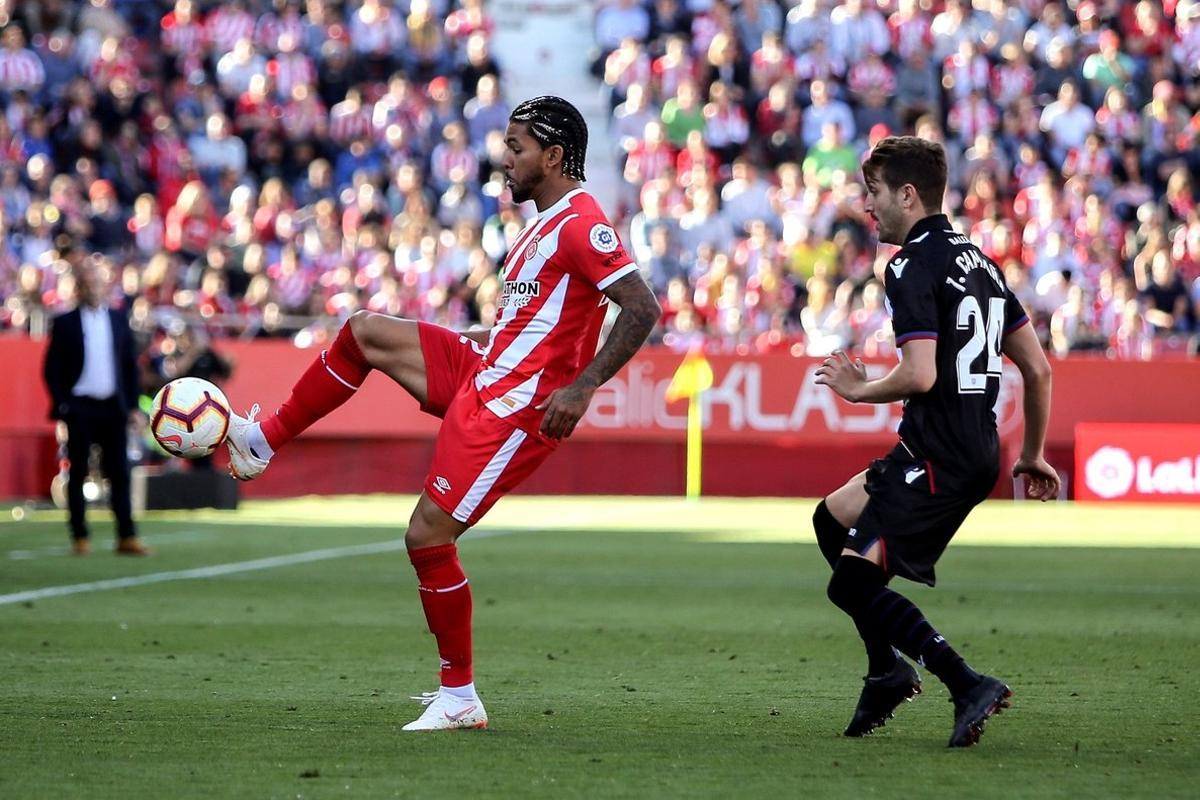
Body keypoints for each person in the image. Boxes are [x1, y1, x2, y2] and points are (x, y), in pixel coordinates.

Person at [222, 96, 661, 731]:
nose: (504, 159)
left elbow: (641, 307)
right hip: (484, 369)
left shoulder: (580, 224)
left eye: (516, 148)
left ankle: (459, 697)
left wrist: (583, 386)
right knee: (364, 331)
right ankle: (262, 440)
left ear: (555, 156)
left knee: (427, 536)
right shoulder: (541, 221)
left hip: (515, 408)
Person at [812, 136, 1058, 747]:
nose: (868, 208)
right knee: (830, 519)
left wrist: (857, 387)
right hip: (965, 448)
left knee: (849, 584)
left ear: (907, 194)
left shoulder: (908, 265)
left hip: (937, 456)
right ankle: (884, 670)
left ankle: (965, 681)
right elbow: (1039, 368)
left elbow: (919, 374)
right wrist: (1030, 455)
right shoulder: (981, 261)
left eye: (873, 193)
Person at [42, 258, 149, 556]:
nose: (92, 287)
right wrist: (63, 404)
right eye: (86, 283)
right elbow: (52, 369)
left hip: (112, 407)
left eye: (96, 282)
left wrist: (133, 407)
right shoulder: (64, 322)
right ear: (78, 288)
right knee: (77, 472)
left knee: (119, 472)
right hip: (79, 407)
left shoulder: (117, 319)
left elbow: (129, 366)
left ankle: (126, 535)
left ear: (105, 285)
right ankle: (79, 536)